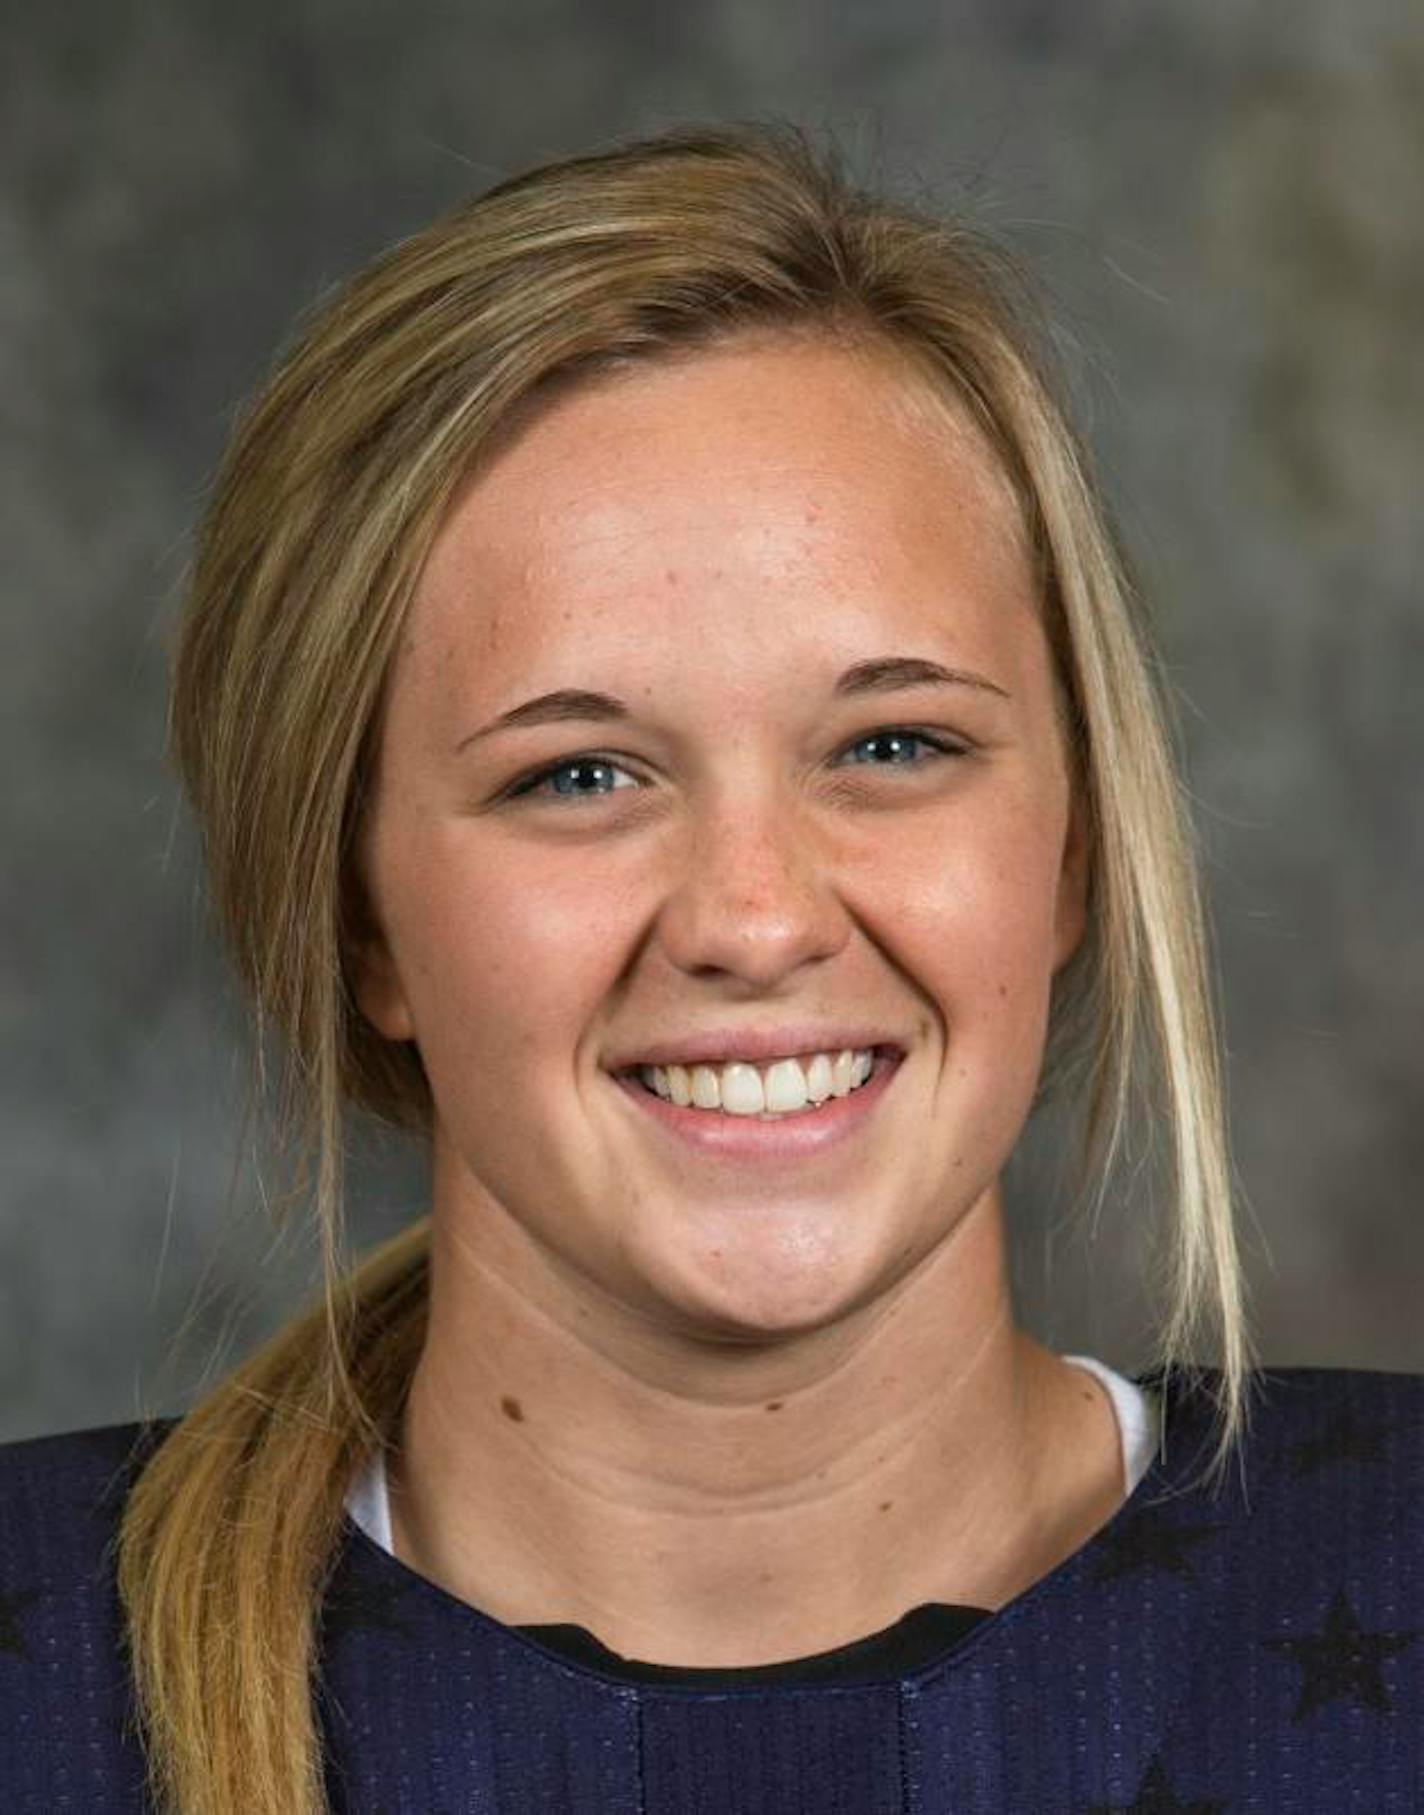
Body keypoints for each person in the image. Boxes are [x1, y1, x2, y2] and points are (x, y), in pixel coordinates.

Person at [1, 122, 1418, 1815]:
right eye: (576, 776)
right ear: (355, 920)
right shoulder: (47, 1682)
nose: (755, 919)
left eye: (892, 745)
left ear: (1076, 851)